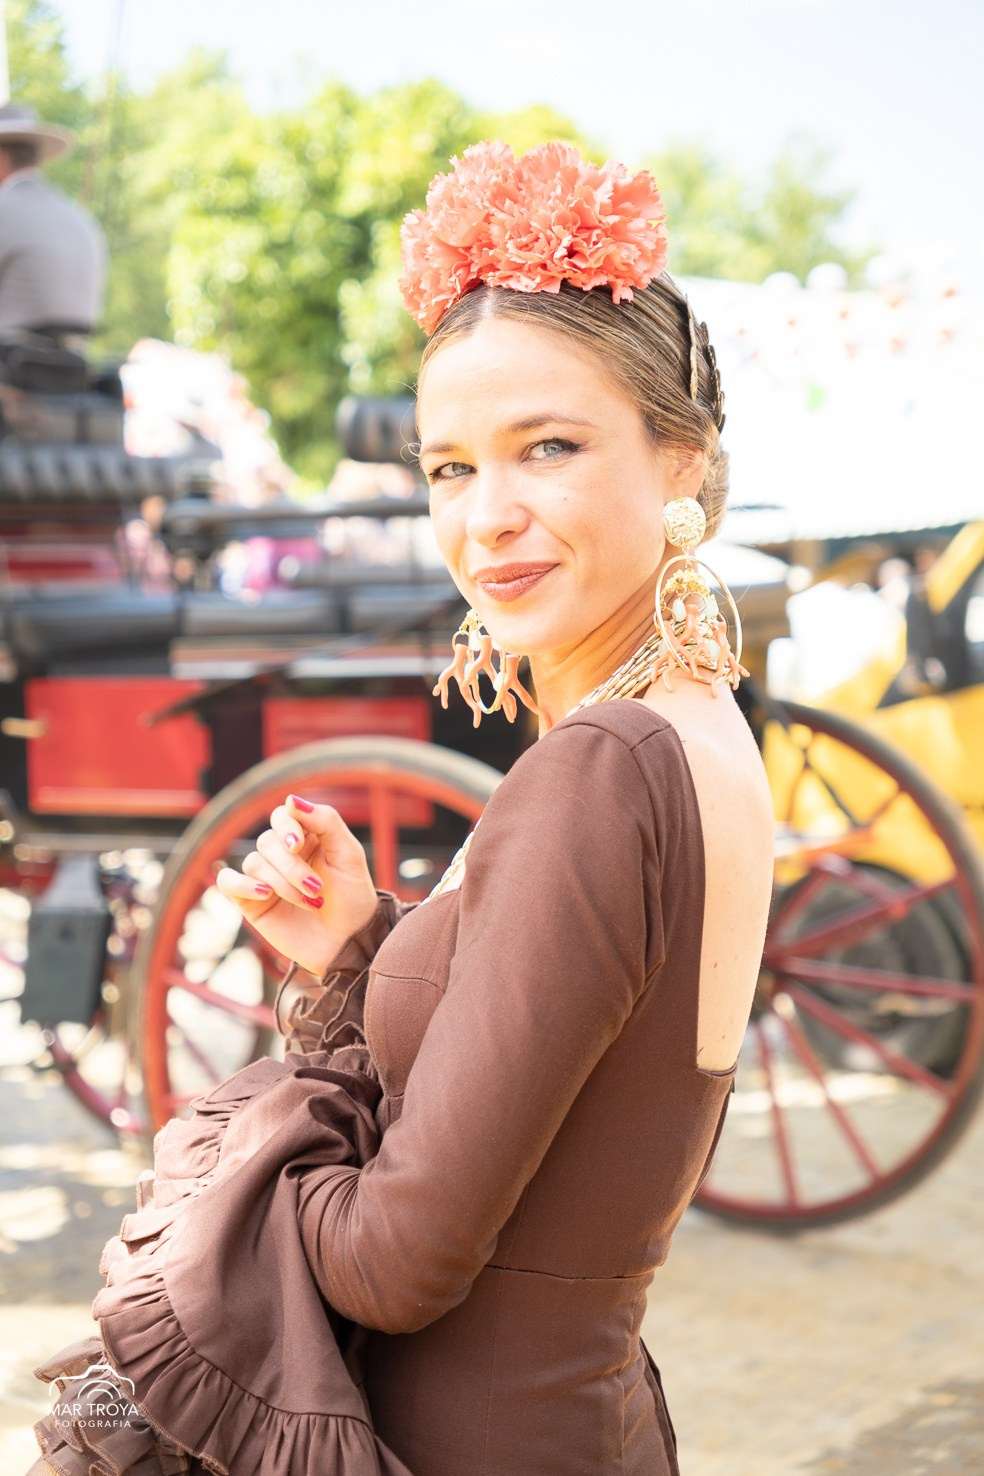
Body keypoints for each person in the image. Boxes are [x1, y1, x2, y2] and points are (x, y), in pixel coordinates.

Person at [29, 142, 774, 1476]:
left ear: (683, 465)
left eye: (548, 446)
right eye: (447, 469)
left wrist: (233, 1167)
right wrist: (370, 955)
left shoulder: (600, 769)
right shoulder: (702, 732)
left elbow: (397, 1265)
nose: (488, 517)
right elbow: (583, 1082)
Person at [0, 103, 105, 341]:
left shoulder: (4, 207)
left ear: (1, 158)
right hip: (71, 365)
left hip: (11, 363)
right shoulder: (80, 217)